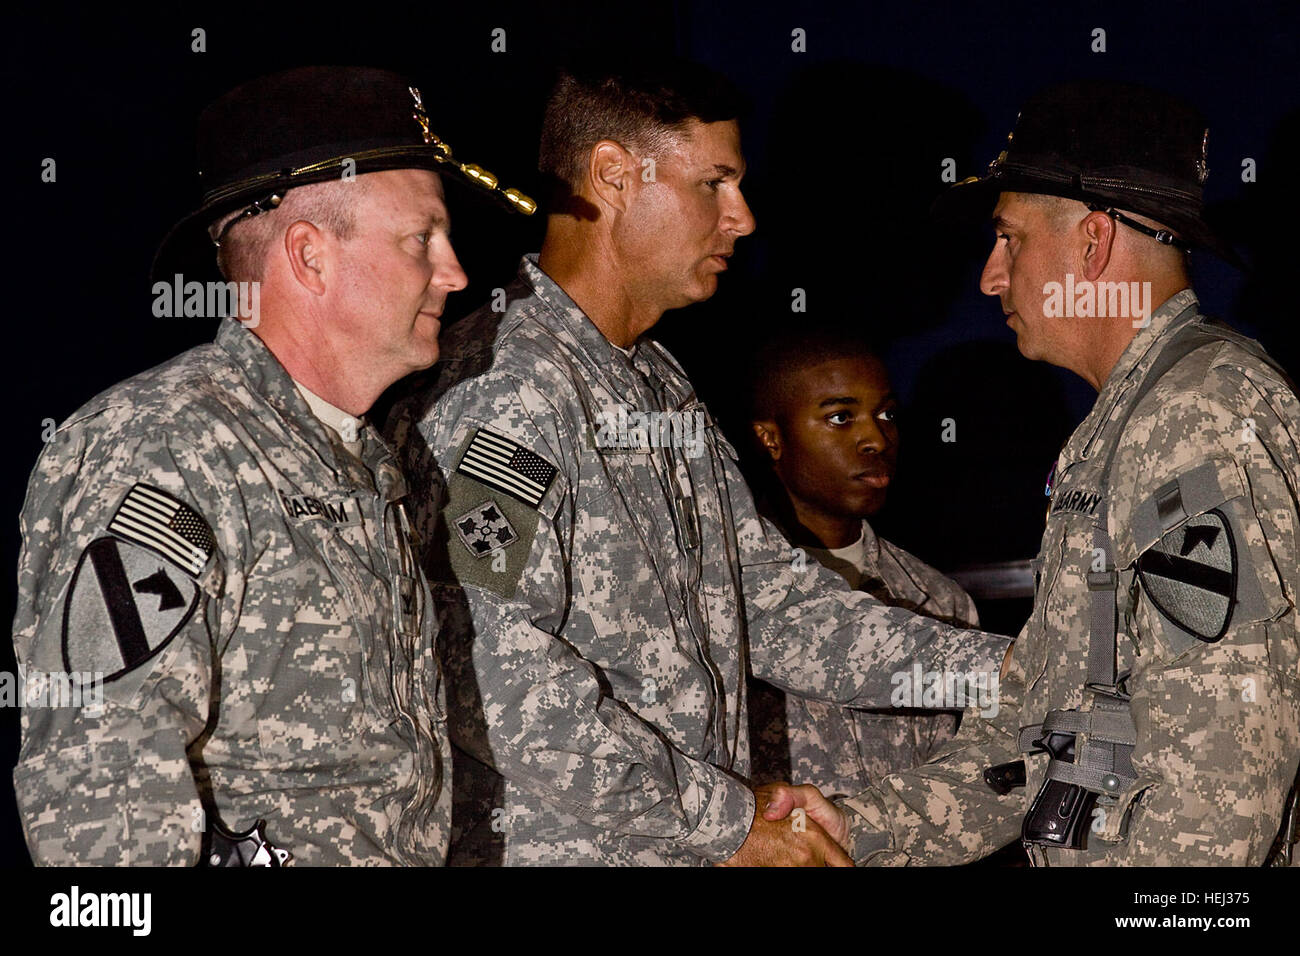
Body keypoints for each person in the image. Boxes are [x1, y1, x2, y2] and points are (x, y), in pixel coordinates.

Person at [388, 58, 1011, 866]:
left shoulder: (655, 380)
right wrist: (726, 820)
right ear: (614, 176)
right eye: (713, 184)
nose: (742, 219)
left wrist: (1022, 668)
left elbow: (781, 609)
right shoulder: (506, 392)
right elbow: (492, 678)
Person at [764, 81, 1300, 866]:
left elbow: (1224, 781)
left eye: (1009, 239)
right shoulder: (1125, 425)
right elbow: (1034, 726)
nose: (990, 276)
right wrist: (860, 826)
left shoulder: (1197, 417)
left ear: (1091, 244)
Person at [10, 65, 530, 865]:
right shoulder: (164, 445)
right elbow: (98, 792)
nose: (456, 272)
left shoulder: (362, 457)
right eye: (421, 237)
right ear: (310, 258)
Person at [745, 329, 980, 799]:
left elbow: (963, 781)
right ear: (772, 438)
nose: (876, 438)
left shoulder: (937, 601)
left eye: (887, 414)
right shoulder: (722, 593)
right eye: (840, 417)